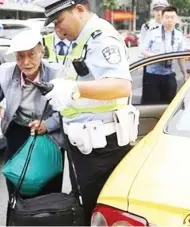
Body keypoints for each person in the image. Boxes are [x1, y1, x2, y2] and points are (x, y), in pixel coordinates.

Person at [33, 0, 136, 224]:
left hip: (102, 147)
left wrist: (73, 90)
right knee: (85, 204)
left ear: (79, 9)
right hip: (85, 144)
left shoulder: (101, 38)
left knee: (99, 210)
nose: (58, 31)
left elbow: (121, 85)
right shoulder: (81, 40)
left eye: (59, 22)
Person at [0, 29, 65, 223]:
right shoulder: (4, 72)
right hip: (17, 130)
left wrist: (48, 124)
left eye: (31, 55)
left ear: (42, 52)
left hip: (48, 134)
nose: (26, 62)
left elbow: (69, 108)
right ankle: (19, 219)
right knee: (17, 182)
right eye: (20, 57)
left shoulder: (56, 74)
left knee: (48, 185)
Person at [141, 6, 188, 105]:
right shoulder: (152, 32)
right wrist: (156, 58)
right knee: (151, 105)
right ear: (162, 18)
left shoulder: (179, 35)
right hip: (153, 75)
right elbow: (143, 50)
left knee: (168, 105)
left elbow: (181, 56)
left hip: (169, 74)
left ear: (176, 19)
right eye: (167, 17)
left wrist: (185, 74)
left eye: (172, 17)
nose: (169, 20)